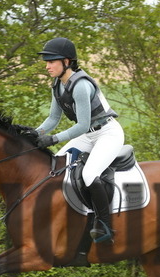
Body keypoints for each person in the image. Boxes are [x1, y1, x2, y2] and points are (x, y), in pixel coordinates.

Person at [35, 37, 124, 244]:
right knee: (53, 169)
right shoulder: (57, 84)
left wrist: (54, 139)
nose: (47, 66)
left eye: (52, 61)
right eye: (46, 62)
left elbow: (82, 125)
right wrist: (34, 133)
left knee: (89, 174)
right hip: (88, 135)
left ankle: (105, 226)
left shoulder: (81, 86)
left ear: (66, 61)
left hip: (107, 133)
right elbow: (53, 118)